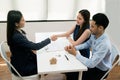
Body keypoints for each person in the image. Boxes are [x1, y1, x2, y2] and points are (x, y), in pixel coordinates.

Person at [6, 10, 57, 76]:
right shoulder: (16, 37)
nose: (25, 21)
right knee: (45, 66)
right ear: (16, 23)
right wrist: (50, 39)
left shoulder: (17, 31)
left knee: (42, 58)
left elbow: (28, 45)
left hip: (21, 60)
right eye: (22, 20)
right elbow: (35, 47)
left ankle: (43, 73)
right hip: (23, 67)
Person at [65, 13, 112, 80]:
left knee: (72, 75)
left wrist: (75, 54)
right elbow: (87, 44)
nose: (90, 28)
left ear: (100, 28)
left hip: (100, 70)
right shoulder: (95, 34)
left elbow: (91, 64)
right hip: (93, 63)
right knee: (70, 71)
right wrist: (75, 48)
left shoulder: (104, 45)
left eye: (92, 26)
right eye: (90, 25)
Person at [53, 9, 91, 80]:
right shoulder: (77, 25)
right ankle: (68, 73)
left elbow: (75, 44)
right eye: (77, 17)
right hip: (75, 50)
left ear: (85, 20)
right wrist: (56, 35)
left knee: (67, 62)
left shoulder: (87, 31)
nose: (77, 20)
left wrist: (69, 39)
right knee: (63, 56)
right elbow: (67, 33)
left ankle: (72, 75)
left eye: (80, 19)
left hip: (82, 54)